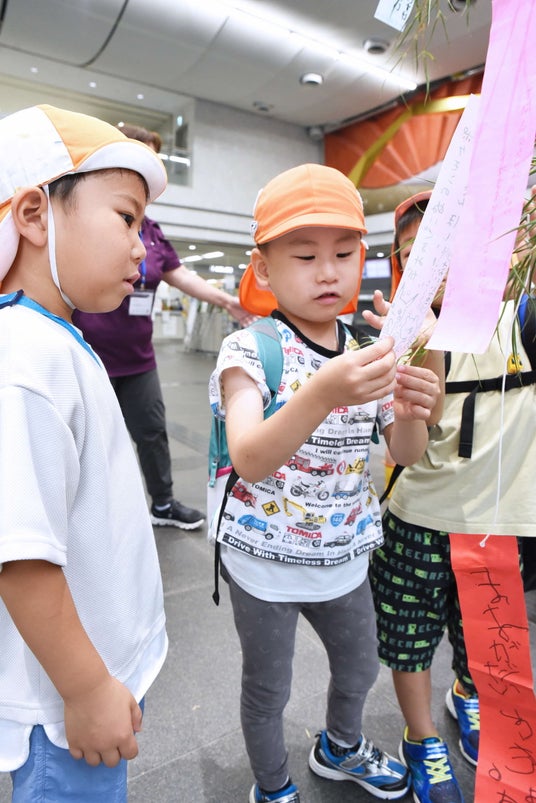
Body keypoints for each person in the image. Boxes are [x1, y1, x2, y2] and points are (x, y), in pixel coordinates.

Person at [208, 164, 444, 803]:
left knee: (361, 665)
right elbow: (249, 458)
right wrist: (321, 391)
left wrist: (418, 399)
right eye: (306, 255)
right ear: (263, 270)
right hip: (264, 561)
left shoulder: (369, 349)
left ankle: (341, 746)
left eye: (343, 254)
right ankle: (273, 787)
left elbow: (406, 451)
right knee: (268, 689)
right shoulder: (250, 350)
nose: (327, 272)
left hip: (344, 555)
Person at [0, 104, 169, 802]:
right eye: (127, 218)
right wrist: (88, 687)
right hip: (62, 702)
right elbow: (20, 556)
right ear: (35, 216)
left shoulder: (56, 338)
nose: (141, 248)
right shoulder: (25, 357)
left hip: (91, 669)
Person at [369, 191, 536, 803]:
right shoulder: (402, 338)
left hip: (494, 528)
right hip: (416, 520)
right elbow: (406, 449)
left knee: (482, 640)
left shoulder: (518, 321)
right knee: (409, 641)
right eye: (417, 254)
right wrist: (423, 357)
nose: (435, 265)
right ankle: (421, 739)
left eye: (449, 249)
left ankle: (469, 696)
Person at [74, 123, 253, 531]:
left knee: (152, 432)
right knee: (91, 440)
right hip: (88, 353)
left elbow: (179, 275)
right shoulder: (89, 217)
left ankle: (163, 503)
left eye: (155, 160)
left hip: (138, 358)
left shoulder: (152, 231)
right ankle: (87, 517)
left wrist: (226, 300)